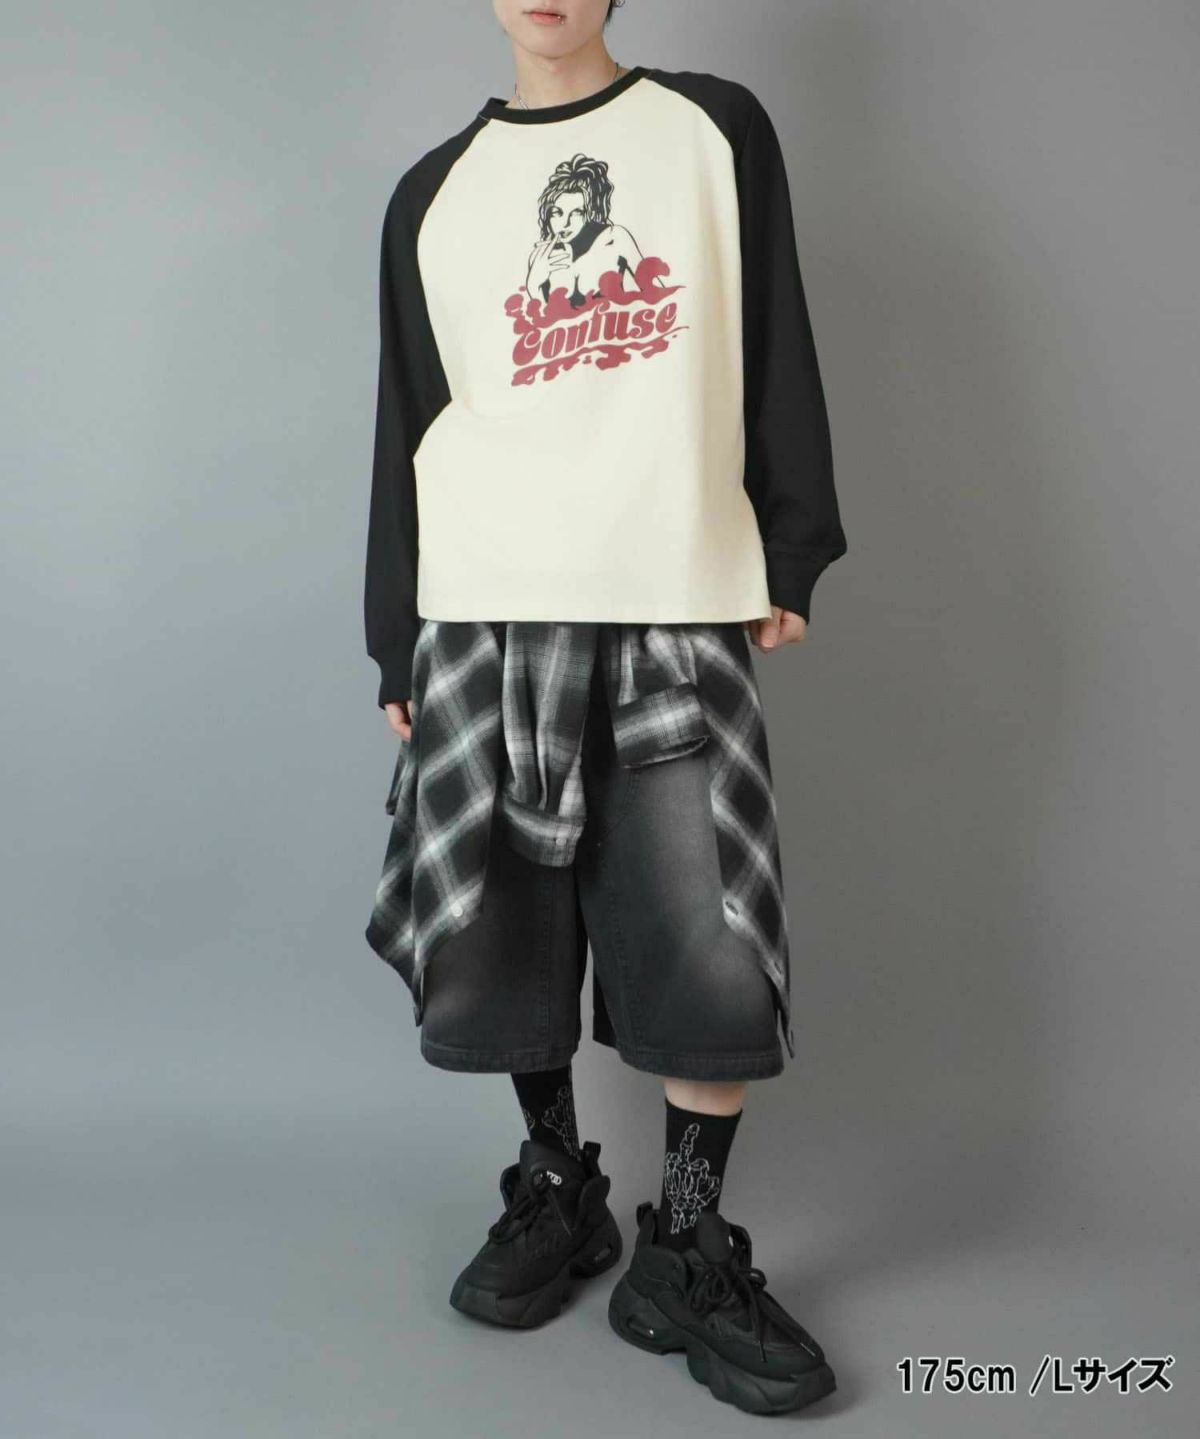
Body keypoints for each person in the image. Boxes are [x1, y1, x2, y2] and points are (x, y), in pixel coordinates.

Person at [362, 0, 847, 1417]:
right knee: (501, 933)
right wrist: (397, 643)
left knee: (709, 938)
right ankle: (557, 1182)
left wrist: (793, 541)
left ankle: (684, 1245)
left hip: (668, 596)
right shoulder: (432, 198)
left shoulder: (710, 130)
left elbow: (771, 331)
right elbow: (411, 421)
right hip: (485, 607)